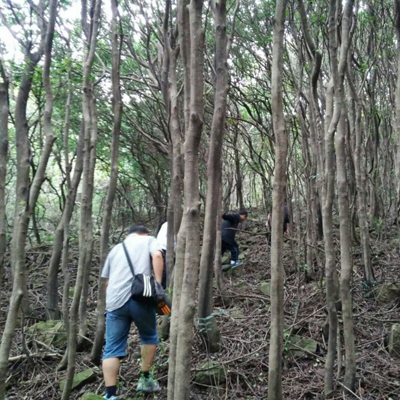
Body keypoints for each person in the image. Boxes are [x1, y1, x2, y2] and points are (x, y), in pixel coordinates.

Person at [101, 225, 164, 399]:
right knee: (149, 336)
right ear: (144, 233)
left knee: (112, 348)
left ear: (128, 235)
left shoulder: (115, 250)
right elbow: (157, 255)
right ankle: (145, 379)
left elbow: (107, 283)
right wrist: (157, 286)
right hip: (140, 298)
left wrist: (113, 302)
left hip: (114, 302)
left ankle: (110, 394)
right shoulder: (148, 240)